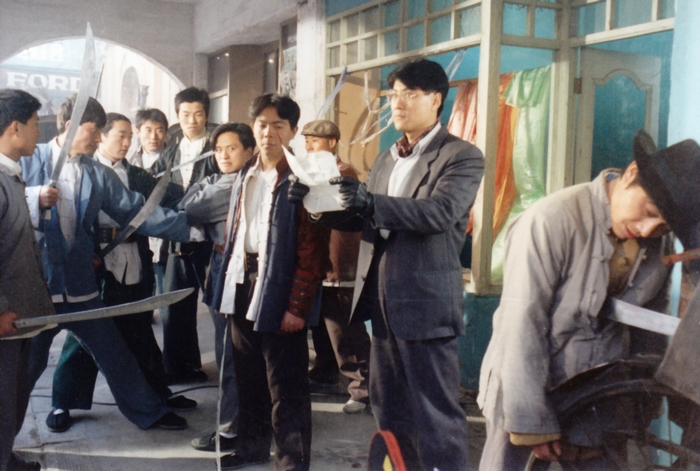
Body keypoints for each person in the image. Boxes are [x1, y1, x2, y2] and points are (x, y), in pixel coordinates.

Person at [293, 59, 485, 470]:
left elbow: (439, 212)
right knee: (388, 408)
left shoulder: (461, 155)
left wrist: (371, 202)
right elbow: (363, 219)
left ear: (436, 100)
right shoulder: (385, 159)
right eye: (394, 95)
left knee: (435, 415)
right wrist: (315, 205)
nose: (397, 104)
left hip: (426, 307)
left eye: (409, 95)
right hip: (381, 305)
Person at [476, 130, 700, 470]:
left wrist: (643, 404)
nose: (646, 230)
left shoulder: (658, 246)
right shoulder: (550, 221)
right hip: (524, 386)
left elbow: (648, 332)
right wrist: (530, 420)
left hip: (599, 396)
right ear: (630, 174)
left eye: (662, 226)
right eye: (648, 211)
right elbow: (520, 325)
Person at [21, 95, 196, 433]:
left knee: (115, 354)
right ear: (70, 126)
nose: (99, 138)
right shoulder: (29, 160)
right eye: (94, 129)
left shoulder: (97, 173)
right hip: (38, 289)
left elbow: (136, 212)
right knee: (26, 367)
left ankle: (149, 412)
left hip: (81, 287)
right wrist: (33, 198)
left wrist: (192, 229)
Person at [210, 94, 330, 470]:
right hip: (242, 283)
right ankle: (252, 448)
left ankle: (291, 462)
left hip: (281, 287)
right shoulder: (244, 173)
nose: (269, 132)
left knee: (286, 385)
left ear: (293, 131)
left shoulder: (304, 178)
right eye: (262, 124)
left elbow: (313, 252)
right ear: (253, 128)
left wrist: (297, 306)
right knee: (248, 376)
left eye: (279, 125)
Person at [180, 123, 255, 453]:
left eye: (232, 148)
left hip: (234, 269)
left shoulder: (234, 183)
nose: (223, 155)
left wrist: (203, 186)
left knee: (230, 354)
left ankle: (229, 431)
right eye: (218, 150)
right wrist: (204, 185)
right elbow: (190, 201)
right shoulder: (224, 180)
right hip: (221, 265)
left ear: (249, 151)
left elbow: (190, 208)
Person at [291, 119, 371, 414]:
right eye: (306, 141)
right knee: (324, 325)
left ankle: (363, 388)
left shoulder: (342, 172)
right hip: (318, 259)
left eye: (315, 140)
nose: (309, 146)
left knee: (343, 328)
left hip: (340, 258)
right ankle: (325, 372)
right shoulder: (309, 171)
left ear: (333, 142)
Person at [150, 87, 220, 384]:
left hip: (213, 240)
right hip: (177, 238)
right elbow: (154, 190)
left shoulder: (218, 147)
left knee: (219, 306)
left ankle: (233, 370)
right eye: (186, 114)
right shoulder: (168, 153)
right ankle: (181, 368)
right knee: (175, 305)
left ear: (207, 115)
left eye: (198, 114)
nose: (192, 120)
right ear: (177, 116)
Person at [0, 88, 52, 471]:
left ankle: (5, 456)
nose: (39, 133)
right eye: (35, 124)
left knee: (12, 395)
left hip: (18, 317)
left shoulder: (11, 176)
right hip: (5, 318)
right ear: (15, 127)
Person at [128, 108, 171, 302]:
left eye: (160, 130)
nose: (154, 136)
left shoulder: (174, 159)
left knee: (165, 299)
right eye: (148, 130)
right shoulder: (129, 161)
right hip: (138, 240)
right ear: (138, 132)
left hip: (165, 240)